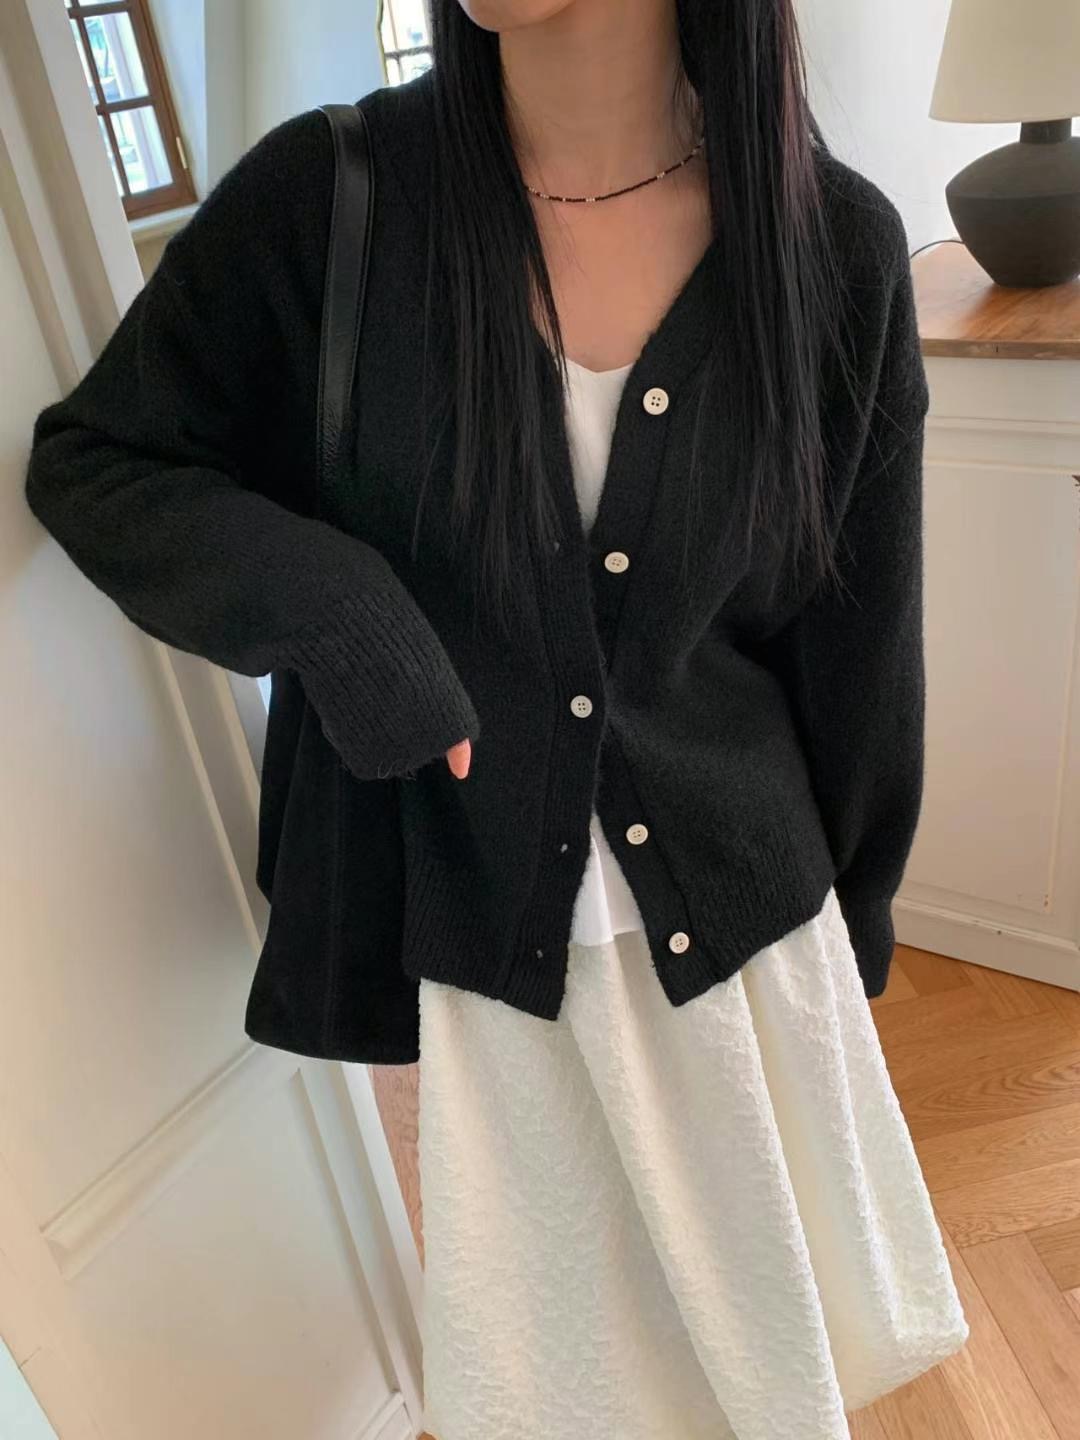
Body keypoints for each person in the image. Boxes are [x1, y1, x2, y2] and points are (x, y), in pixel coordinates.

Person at [24, 0, 969, 1435]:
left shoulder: (830, 246)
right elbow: (101, 458)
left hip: (743, 955)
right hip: (462, 970)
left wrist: (861, 922)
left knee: (761, 1379)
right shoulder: (331, 204)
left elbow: (862, 651)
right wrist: (339, 614)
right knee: (540, 1395)